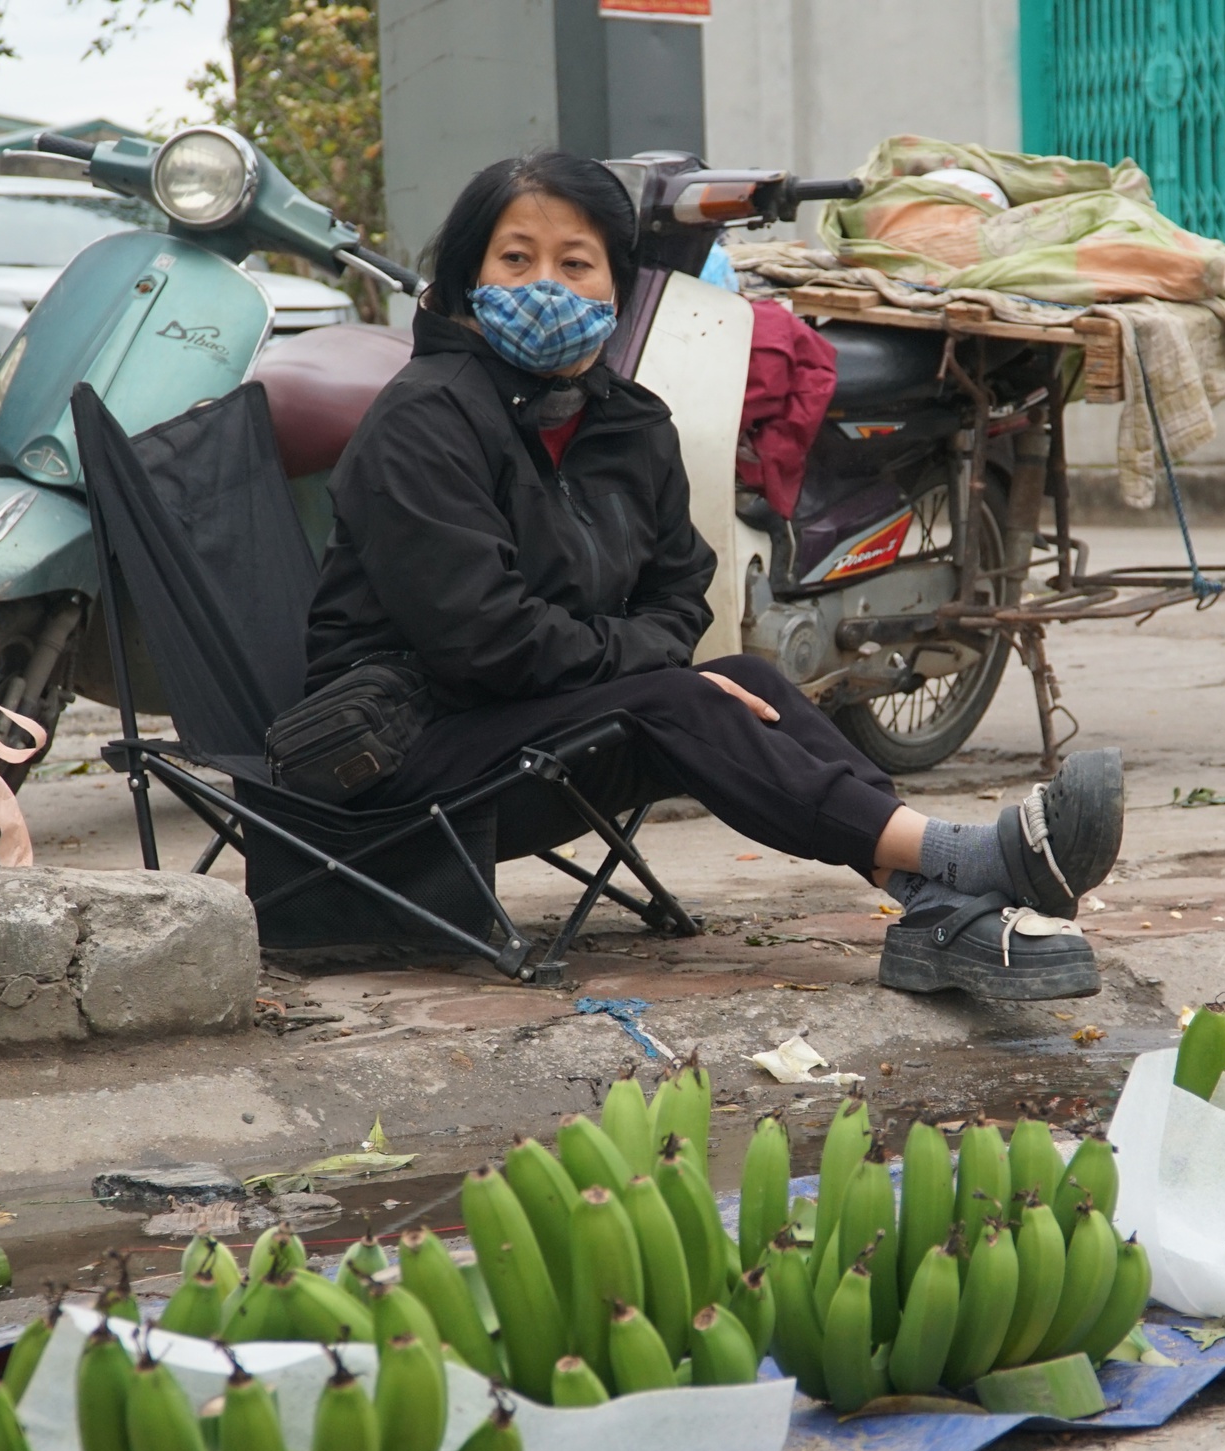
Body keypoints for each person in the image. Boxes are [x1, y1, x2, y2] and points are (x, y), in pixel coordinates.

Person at [304, 151, 1123, 999]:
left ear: (616, 290)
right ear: (469, 278)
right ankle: (975, 856)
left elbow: (678, 590)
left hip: (532, 725)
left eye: (575, 262)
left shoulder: (629, 422)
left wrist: (657, 670)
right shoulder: (421, 421)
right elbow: (483, 638)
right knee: (683, 694)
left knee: (738, 676)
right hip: (395, 754)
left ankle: (933, 900)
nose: (545, 282)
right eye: (516, 259)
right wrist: (652, 675)